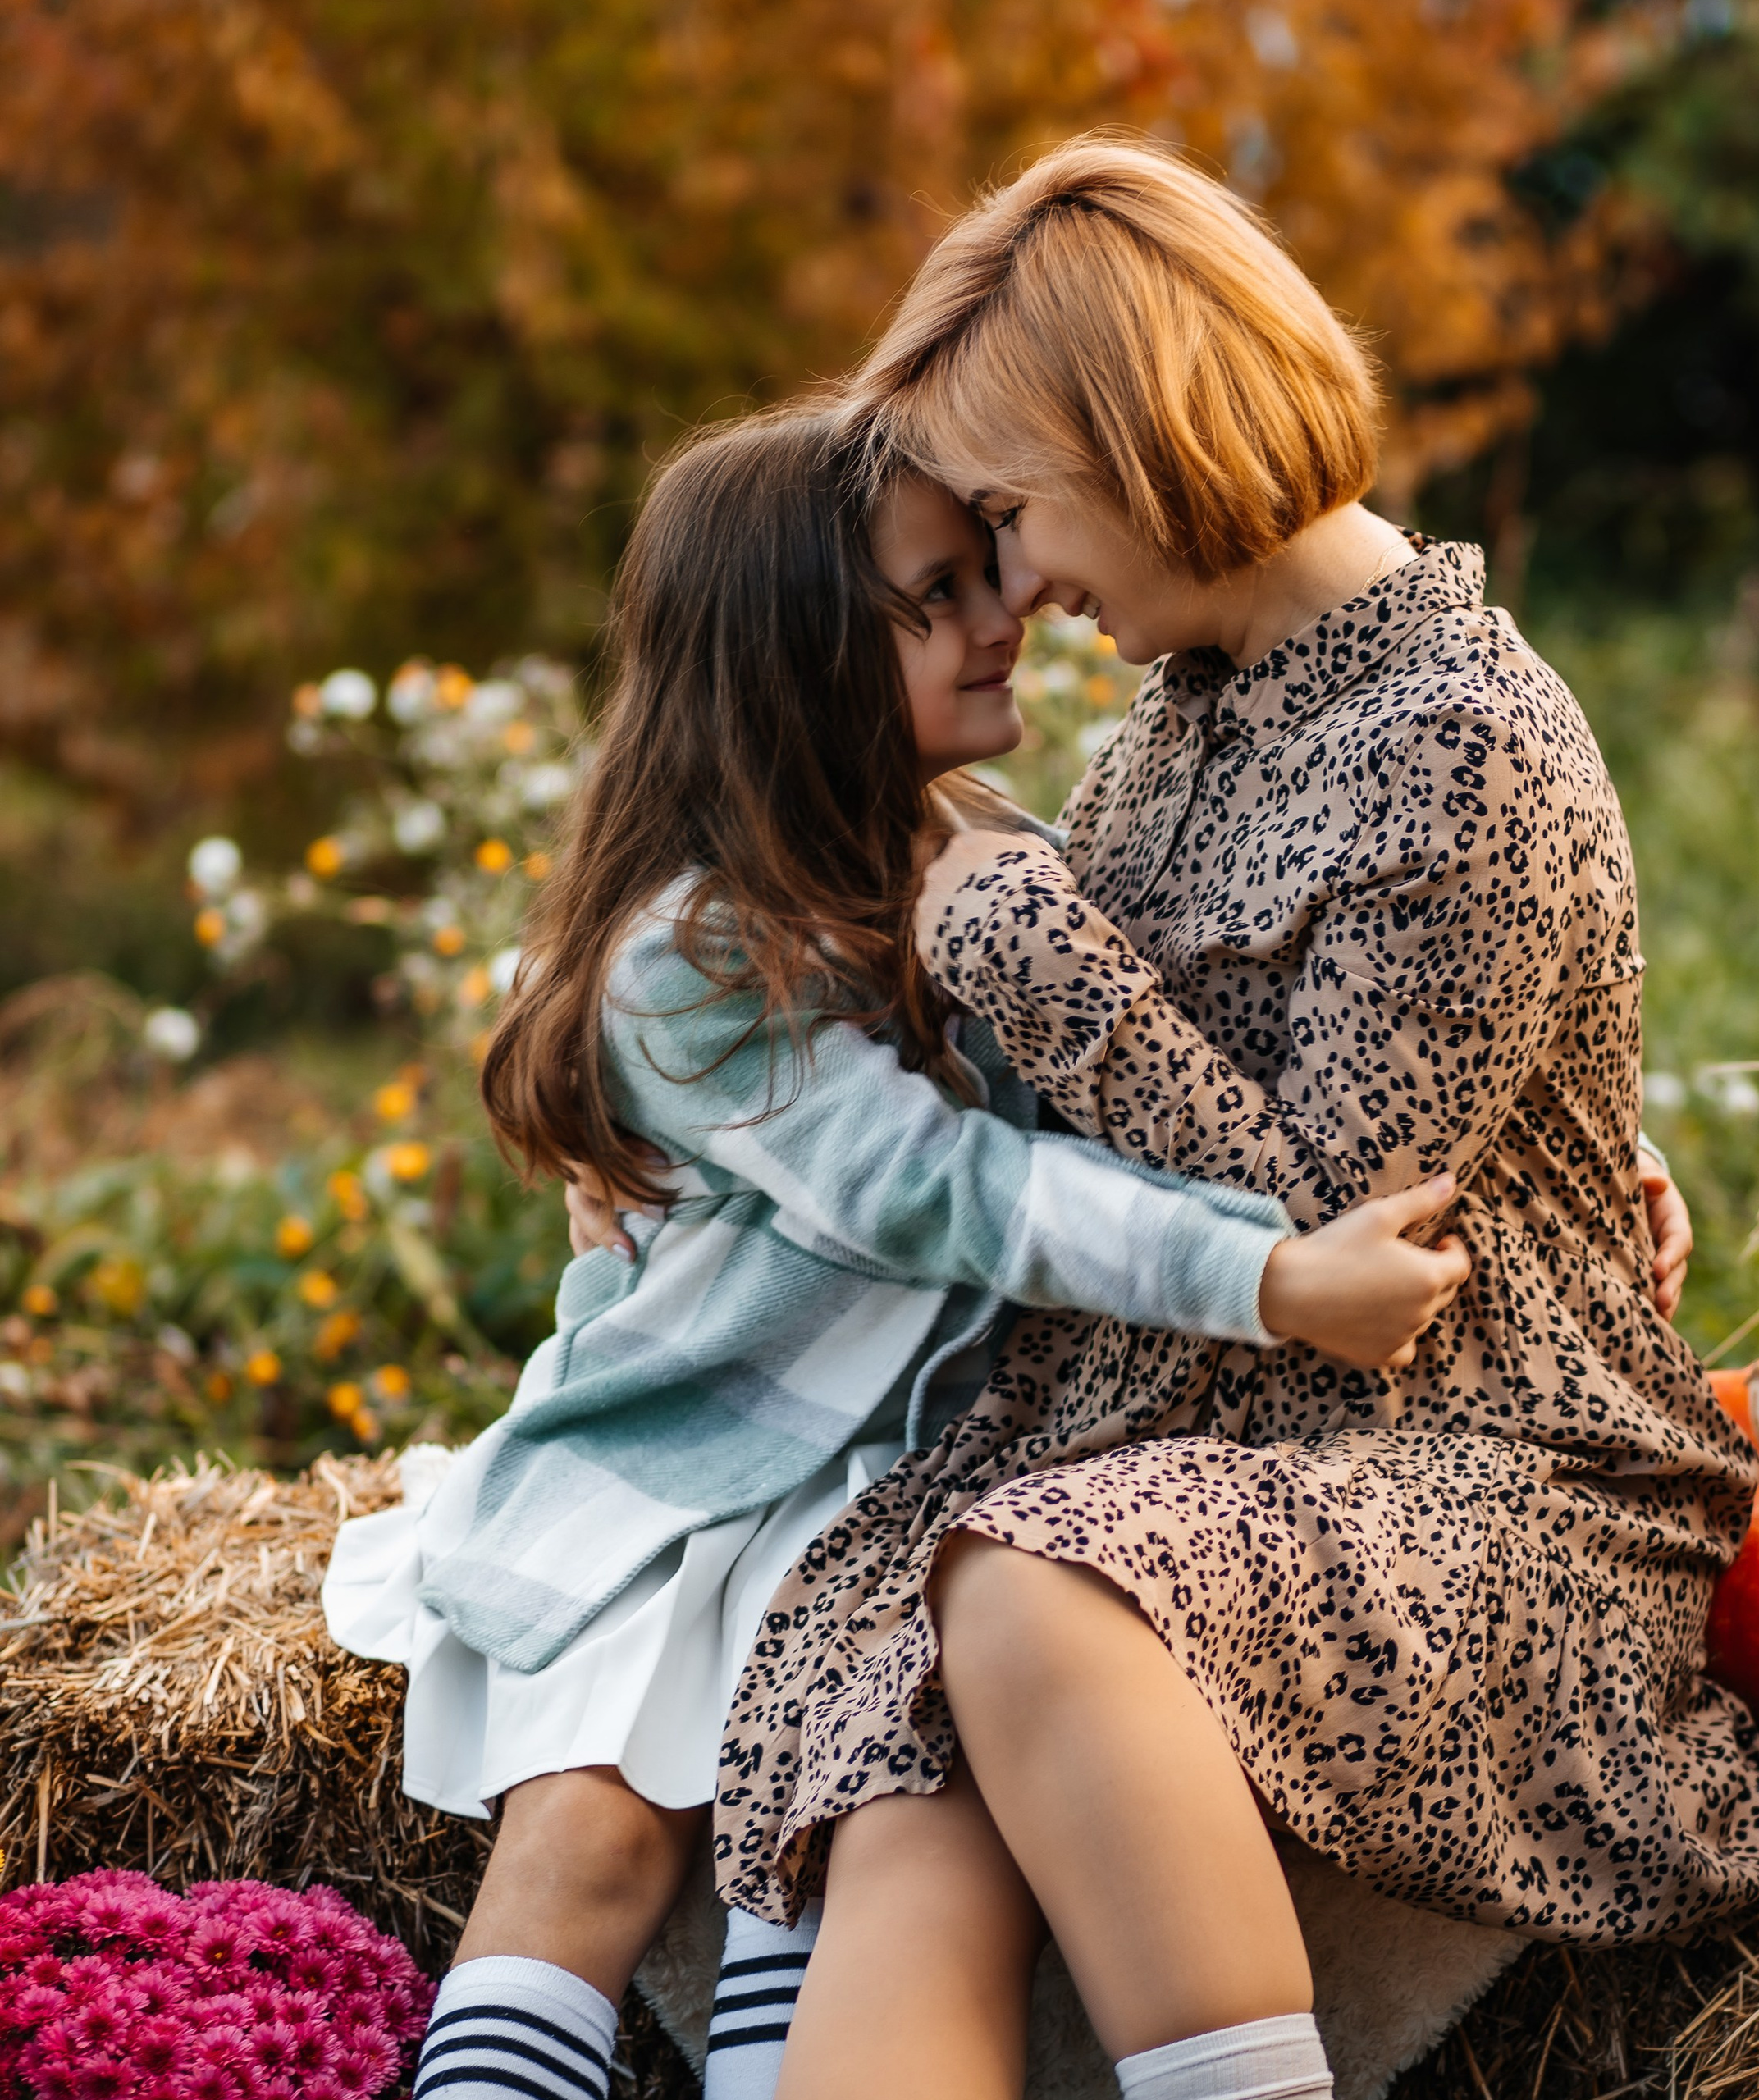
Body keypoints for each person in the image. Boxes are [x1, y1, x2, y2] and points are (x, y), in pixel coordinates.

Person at [672, 139, 1759, 2100]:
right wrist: (697, 1143)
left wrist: (1019, 927)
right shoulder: (1187, 710)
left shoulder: (1451, 734)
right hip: (1177, 1415)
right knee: (901, 1761)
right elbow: (1048, 1110)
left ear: (1144, 431)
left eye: (1014, 514)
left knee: (1022, 1585)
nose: (1013, 582)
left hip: (1475, 1466)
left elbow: (1320, 1220)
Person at [321, 401, 1481, 2100]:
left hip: (908, 1483)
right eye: (937, 590)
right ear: (799, 658)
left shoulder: (983, 848)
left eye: (988, 560)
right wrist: (1269, 1276)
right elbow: (952, 1190)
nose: (1005, 605)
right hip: (693, 1470)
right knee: (589, 1838)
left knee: (825, 1818)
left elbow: (1226, 1050)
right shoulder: (691, 959)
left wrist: (1553, 1176)